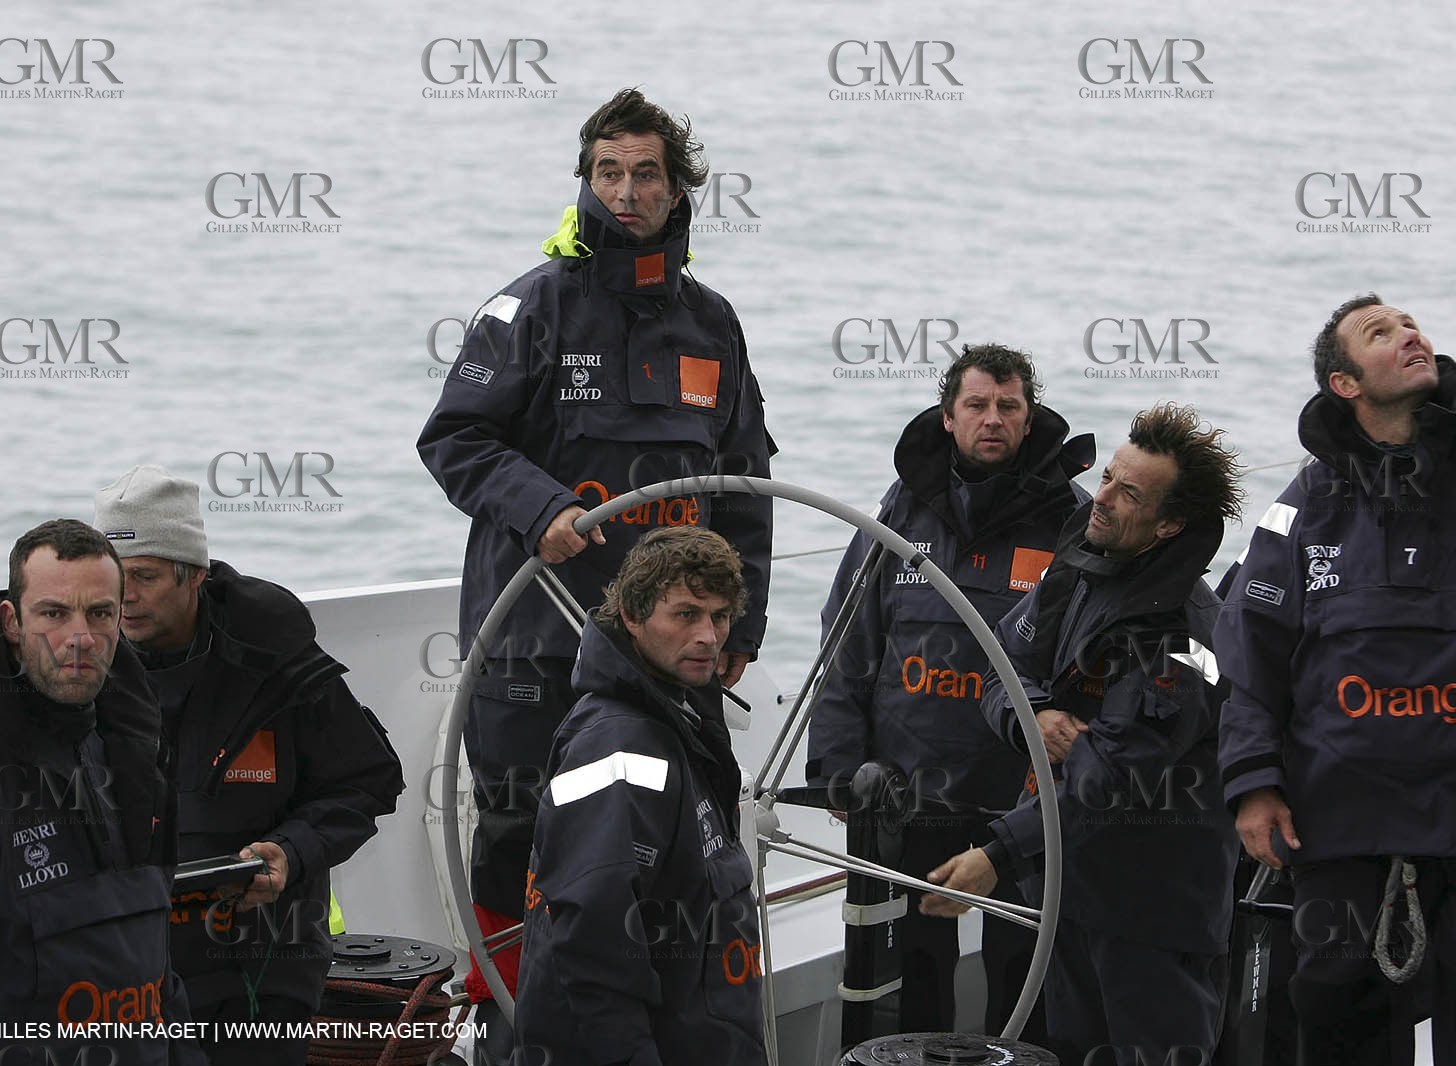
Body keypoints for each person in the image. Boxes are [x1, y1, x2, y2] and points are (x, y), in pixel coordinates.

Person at [416, 86, 774, 1040]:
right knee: (518, 843)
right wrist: (541, 509)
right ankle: (511, 1027)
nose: (625, 192)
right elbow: (453, 439)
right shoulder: (528, 309)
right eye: (608, 172)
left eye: (645, 174)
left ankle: (667, 1029)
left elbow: (746, 484)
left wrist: (741, 622)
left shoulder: (714, 325)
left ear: (678, 189)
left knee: (677, 843)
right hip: (534, 642)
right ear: (585, 179)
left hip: (670, 652)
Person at [1215, 294, 1456, 1065]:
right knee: (1334, 1004)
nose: (1409, 335)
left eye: (1410, 324)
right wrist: (1254, 784)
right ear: (1345, 383)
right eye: (1380, 332)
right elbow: (1250, 655)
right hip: (1340, 817)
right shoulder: (1304, 507)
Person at [924, 403, 1244, 1066]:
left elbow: (1111, 778)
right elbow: (1001, 664)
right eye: (1106, 478)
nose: (1101, 498)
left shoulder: (1185, 639)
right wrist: (1033, 716)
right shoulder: (1080, 568)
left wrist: (997, 854)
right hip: (1071, 891)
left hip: (1154, 915)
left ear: (1170, 523)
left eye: (1129, 494)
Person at [805, 343, 1091, 1035]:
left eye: (1009, 407)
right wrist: (836, 766)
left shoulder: (1073, 521)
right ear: (947, 416)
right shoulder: (900, 512)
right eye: (977, 405)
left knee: (1024, 973)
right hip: (913, 789)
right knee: (914, 971)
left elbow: (1094, 653)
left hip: (1020, 798)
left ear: (1029, 420)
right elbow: (848, 637)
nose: (993, 419)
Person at [93, 465, 405, 1066]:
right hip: (124, 959)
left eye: (145, 576)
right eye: (113, 578)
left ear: (195, 574)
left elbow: (367, 780)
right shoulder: (79, 665)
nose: (123, 597)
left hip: (262, 960)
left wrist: (291, 851)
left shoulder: (277, 661)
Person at [0, 519, 204, 1066]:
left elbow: (154, 952)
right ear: (12, 621)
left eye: (99, 613)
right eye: (54, 614)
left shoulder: (138, 746)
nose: (80, 637)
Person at [515, 527, 764, 1066]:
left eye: (720, 616)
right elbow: (593, 939)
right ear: (631, 615)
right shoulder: (616, 747)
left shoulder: (681, 718)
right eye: (686, 614)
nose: (708, 637)